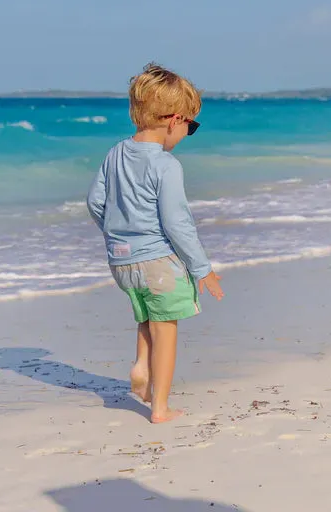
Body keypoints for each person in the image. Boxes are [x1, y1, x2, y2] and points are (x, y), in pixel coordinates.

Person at [87, 63, 225, 424]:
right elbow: (177, 224)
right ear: (174, 120)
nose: (186, 134)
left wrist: (118, 234)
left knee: (148, 317)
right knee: (166, 328)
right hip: (158, 262)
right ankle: (159, 407)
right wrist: (202, 269)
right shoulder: (166, 165)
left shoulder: (115, 153)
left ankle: (140, 367)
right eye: (190, 127)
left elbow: (95, 203)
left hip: (121, 262)